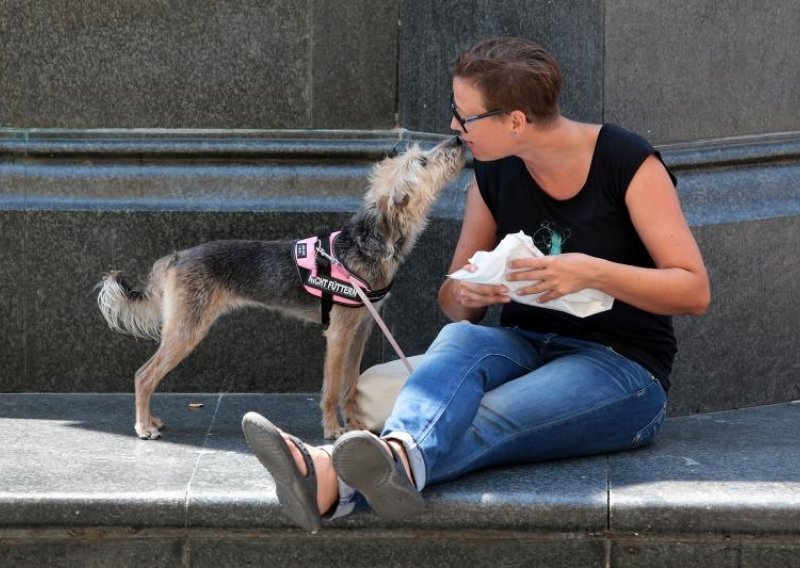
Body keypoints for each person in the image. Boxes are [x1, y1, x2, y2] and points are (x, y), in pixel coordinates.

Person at [241, 36, 711, 533]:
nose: (453, 126)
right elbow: (453, 302)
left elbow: (693, 290)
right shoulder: (493, 174)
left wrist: (590, 271)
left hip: (621, 368)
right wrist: (466, 292)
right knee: (461, 337)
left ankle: (336, 477)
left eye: (464, 116)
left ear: (515, 121)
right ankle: (387, 461)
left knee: (489, 415)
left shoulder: (627, 162)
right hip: (522, 346)